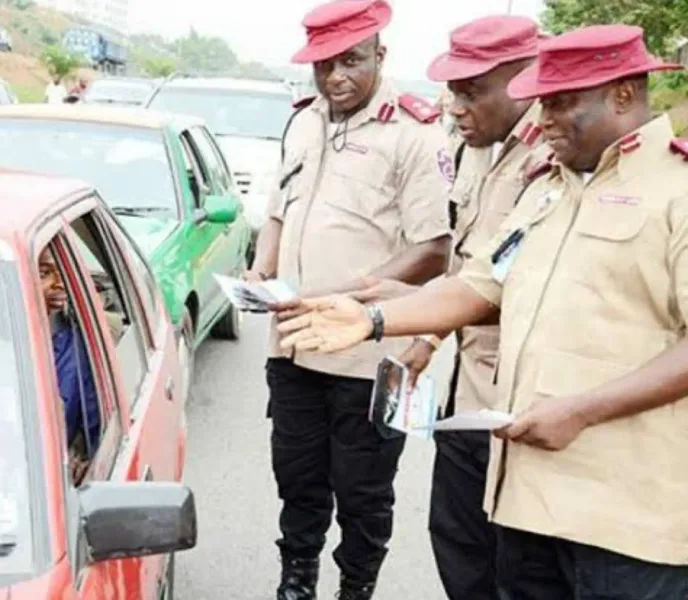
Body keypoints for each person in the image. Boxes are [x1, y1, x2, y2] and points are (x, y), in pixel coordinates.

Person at [276, 24, 688, 598]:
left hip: (627, 520)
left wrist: (582, 411)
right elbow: (482, 283)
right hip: (528, 498)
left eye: (561, 101)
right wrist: (373, 319)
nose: (542, 119)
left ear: (622, 95)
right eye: (541, 100)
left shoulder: (676, 192)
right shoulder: (553, 189)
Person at [246, 1, 453, 597]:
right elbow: (278, 214)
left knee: (363, 494)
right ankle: (297, 580)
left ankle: (355, 588)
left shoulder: (414, 133)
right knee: (298, 479)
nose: (335, 77)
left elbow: (433, 250)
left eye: (351, 61)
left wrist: (340, 301)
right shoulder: (303, 121)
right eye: (323, 65)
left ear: (380, 57)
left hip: (368, 356)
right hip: (291, 349)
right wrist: (263, 269)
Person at [353, 16, 548, 600]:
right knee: (458, 545)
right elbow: (469, 268)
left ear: (523, 78)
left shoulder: (556, 157)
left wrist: (406, 308)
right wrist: (426, 343)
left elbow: (528, 290)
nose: (455, 107)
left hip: (524, 406)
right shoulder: (476, 152)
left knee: (518, 570)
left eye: (470, 90)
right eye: (452, 90)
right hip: (467, 397)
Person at [39, 246, 101, 481]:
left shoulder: (77, 345)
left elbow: (95, 421)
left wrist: (85, 458)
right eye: (44, 273)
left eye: (63, 274)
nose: (59, 284)